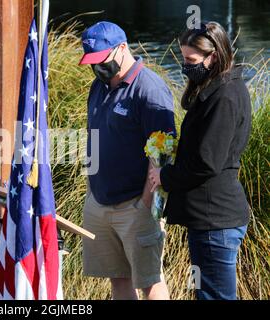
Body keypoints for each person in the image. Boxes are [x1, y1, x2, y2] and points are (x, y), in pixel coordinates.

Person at [148, 21, 252, 300]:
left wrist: (165, 176)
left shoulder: (225, 96)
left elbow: (207, 161)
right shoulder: (221, 87)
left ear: (213, 56)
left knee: (213, 296)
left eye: (191, 60)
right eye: (183, 59)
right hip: (212, 216)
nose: (185, 66)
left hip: (214, 219)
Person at [79, 21, 176, 300]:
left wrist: (146, 202)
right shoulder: (98, 85)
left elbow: (161, 153)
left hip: (135, 205)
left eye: (101, 60)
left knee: (150, 282)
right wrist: (92, 188)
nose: (97, 67)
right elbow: (94, 136)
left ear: (122, 48)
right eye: (92, 62)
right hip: (99, 201)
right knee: (118, 280)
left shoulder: (149, 90)